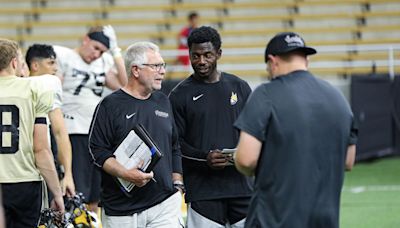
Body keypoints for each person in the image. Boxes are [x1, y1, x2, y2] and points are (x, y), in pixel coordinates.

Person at [233, 32, 358, 228]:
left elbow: (245, 159)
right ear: (306, 60)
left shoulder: (265, 94)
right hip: (325, 220)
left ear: (273, 61)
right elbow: (348, 161)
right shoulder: (338, 97)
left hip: (275, 219)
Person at [88, 41, 184, 228]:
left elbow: (174, 145)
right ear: (136, 70)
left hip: (164, 204)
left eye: (162, 65)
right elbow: (97, 151)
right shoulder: (109, 105)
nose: (162, 71)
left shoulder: (163, 100)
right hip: (120, 210)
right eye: (156, 66)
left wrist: (177, 183)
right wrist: (126, 174)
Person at [169, 26, 254, 228]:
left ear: (218, 54)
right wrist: (204, 158)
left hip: (242, 188)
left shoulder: (240, 87)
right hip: (203, 191)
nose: (201, 61)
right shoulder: (179, 95)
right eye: (195, 56)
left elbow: (254, 133)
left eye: (207, 55)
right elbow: (174, 144)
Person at [54, 25, 127, 211]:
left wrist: (115, 51)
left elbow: (126, 87)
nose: (97, 55)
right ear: (85, 39)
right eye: (96, 48)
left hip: (96, 134)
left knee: (95, 194)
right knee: (75, 193)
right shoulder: (63, 56)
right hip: (72, 131)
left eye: (102, 52)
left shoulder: (103, 62)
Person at [0, 38, 64, 227]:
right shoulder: (35, 89)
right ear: (14, 62)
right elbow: (41, 149)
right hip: (24, 181)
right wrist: (57, 193)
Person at [26, 44, 75, 197]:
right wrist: (67, 174)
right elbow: (60, 132)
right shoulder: (48, 85)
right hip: (33, 162)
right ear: (34, 65)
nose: (55, 68)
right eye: (50, 63)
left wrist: (67, 173)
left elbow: (59, 132)